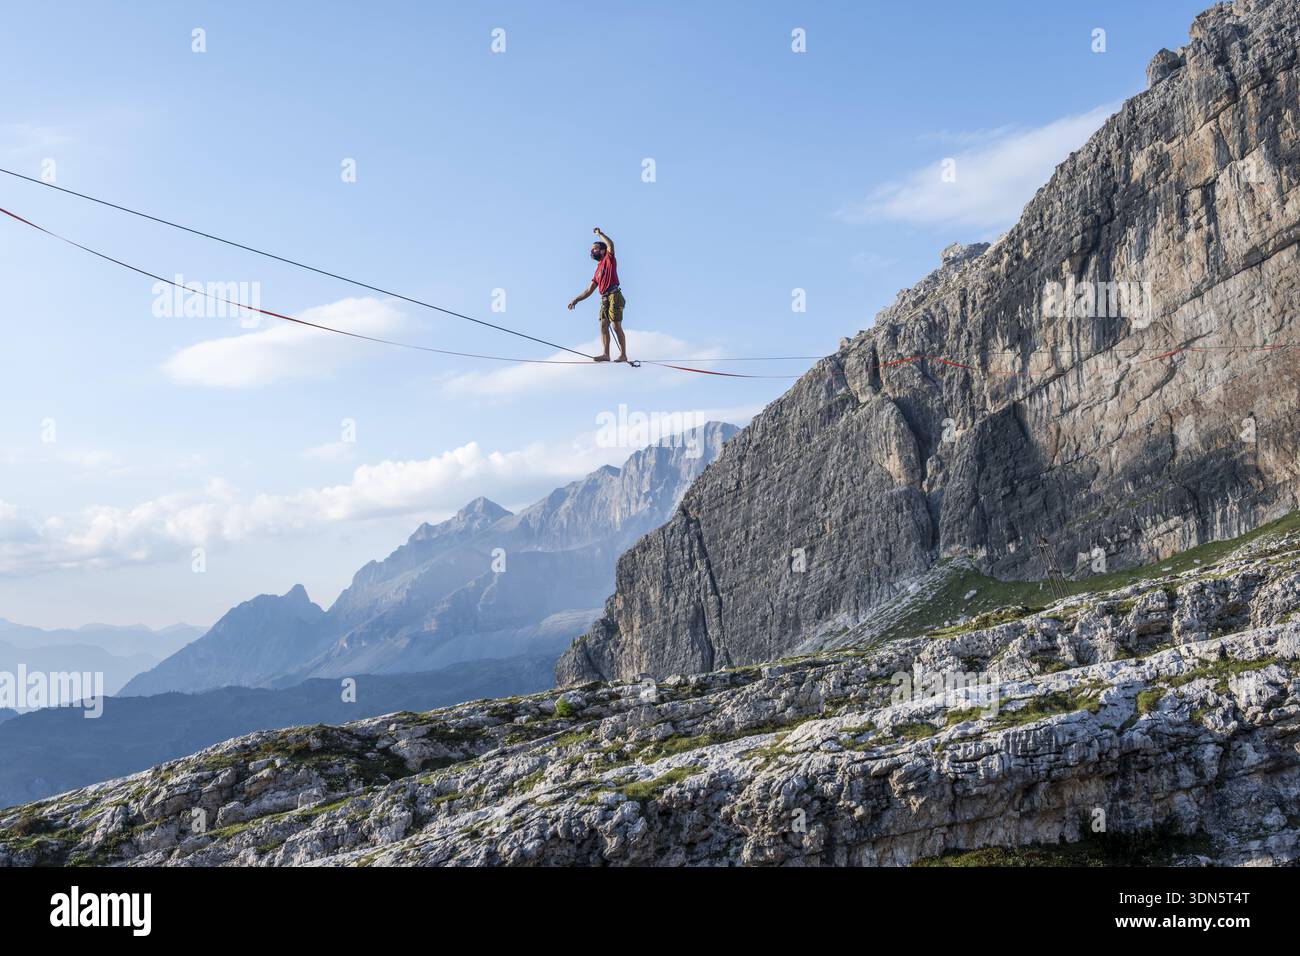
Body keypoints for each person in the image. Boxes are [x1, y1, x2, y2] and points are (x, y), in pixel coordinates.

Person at [567, 227, 629, 362]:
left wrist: (600, 234)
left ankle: (623, 355)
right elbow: (588, 291)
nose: (592, 251)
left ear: (603, 250)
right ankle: (606, 354)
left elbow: (611, 245)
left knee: (616, 326)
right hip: (604, 299)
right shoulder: (598, 270)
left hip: (614, 295)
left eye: (595, 248)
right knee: (603, 325)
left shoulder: (609, 259)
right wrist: (576, 300)